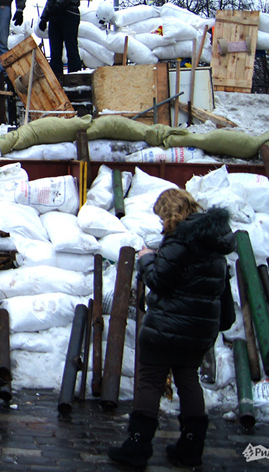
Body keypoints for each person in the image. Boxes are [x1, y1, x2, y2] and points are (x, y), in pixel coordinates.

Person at [108, 189, 234, 469]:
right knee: (188, 379)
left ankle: (137, 447)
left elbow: (159, 280)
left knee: (150, 381)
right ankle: (191, 447)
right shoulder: (214, 243)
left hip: (166, 326)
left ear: (170, 213)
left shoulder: (181, 240)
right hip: (199, 330)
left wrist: (146, 259)